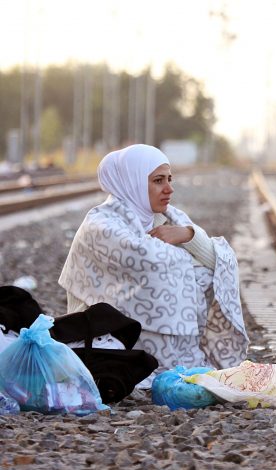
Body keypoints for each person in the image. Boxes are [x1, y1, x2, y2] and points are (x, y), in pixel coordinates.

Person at [59, 144, 249, 372]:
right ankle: (156, 362)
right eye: (158, 180)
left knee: (202, 272)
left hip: (170, 349)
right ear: (133, 182)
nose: (169, 189)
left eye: (170, 179)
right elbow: (153, 262)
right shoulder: (101, 224)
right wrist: (190, 256)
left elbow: (217, 262)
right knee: (184, 272)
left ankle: (174, 358)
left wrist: (188, 235)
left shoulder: (167, 218)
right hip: (105, 342)